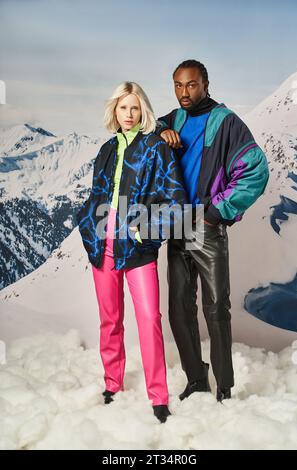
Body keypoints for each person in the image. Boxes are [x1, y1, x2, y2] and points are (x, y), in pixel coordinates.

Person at [156, 60, 269, 402]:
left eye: (190, 85)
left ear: (205, 84)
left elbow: (256, 170)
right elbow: (142, 133)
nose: (183, 92)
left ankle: (224, 386)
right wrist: (159, 132)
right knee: (179, 308)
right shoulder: (172, 120)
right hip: (178, 223)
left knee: (216, 308)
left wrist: (216, 212)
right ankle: (196, 378)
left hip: (205, 225)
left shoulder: (226, 122)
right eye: (177, 85)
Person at [76, 81, 187, 423]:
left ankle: (158, 396)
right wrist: (87, 225)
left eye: (135, 108)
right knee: (110, 320)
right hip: (103, 243)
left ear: (144, 111)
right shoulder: (107, 150)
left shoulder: (156, 148)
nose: (129, 114)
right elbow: (97, 195)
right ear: (115, 110)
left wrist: (144, 230)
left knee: (149, 320)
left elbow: (176, 202)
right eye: (123, 107)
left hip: (138, 247)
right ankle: (112, 384)